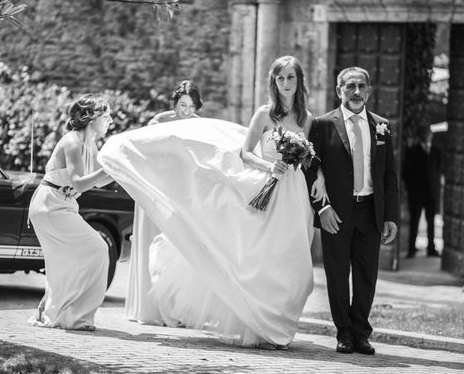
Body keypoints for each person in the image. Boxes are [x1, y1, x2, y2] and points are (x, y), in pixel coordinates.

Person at [99, 55, 320, 349]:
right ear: (274, 82)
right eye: (281, 78)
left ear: (299, 80)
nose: (286, 84)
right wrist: (271, 167)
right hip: (267, 186)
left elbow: (315, 160)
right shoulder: (264, 114)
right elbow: (246, 153)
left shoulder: (307, 119)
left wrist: (316, 176)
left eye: (291, 77)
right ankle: (261, 328)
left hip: (294, 197)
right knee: (260, 259)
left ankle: (280, 324)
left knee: (290, 259)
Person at [306, 67, 399, 355]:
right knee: (336, 274)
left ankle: (361, 332)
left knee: (366, 275)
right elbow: (310, 169)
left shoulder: (382, 126)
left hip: (370, 211)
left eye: (361, 86)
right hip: (336, 213)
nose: (356, 92)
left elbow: (389, 175)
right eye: (350, 86)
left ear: (369, 91)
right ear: (339, 91)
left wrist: (390, 216)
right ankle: (344, 332)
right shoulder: (323, 125)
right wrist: (323, 209)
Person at [28, 94, 114, 331]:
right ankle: (76, 317)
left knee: (69, 262)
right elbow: (79, 183)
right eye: (106, 115)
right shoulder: (73, 141)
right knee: (98, 248)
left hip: (63, 206)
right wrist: (110, 167)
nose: (110, 120)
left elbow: (97, 181)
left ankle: (57, 311)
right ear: (92, 117)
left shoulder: (91, 144)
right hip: (50, 206)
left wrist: (119, 169)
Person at [125, 80, 203, 325]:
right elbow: (143, 154)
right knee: (151, 245)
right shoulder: (159, 122)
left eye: (191, 105)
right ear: (175, 103)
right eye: (182, 105)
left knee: (177, 250)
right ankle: (150, 309)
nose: (187, 110)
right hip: (155, 190)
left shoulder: (200, 126)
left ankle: (177, 309)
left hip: (181, 195)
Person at [402, 124, 441, 257]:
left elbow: (438, 172)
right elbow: (406, 173)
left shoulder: (436, 152)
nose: (426, 136)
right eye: (424, 133)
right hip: (416, 193)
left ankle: (431, 248)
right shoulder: (412, 151)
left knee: (431, 221)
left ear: (431, 135)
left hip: (431, 193)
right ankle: (411, 249)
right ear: (420, 136)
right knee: (415, 220)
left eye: (428, 133)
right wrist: (410, 189)